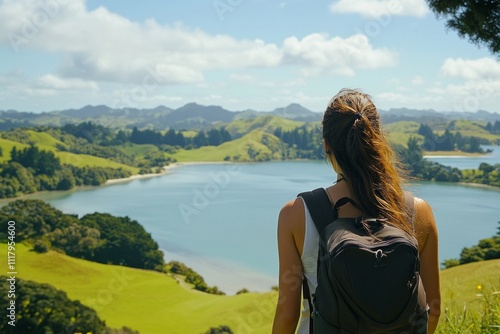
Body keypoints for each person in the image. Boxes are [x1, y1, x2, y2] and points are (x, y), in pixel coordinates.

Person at [272, 88, 441, 333]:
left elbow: (287, 316)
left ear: (326, 145)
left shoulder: (296, 214)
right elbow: (432, 309)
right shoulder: (417, 211)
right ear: (377, 140)